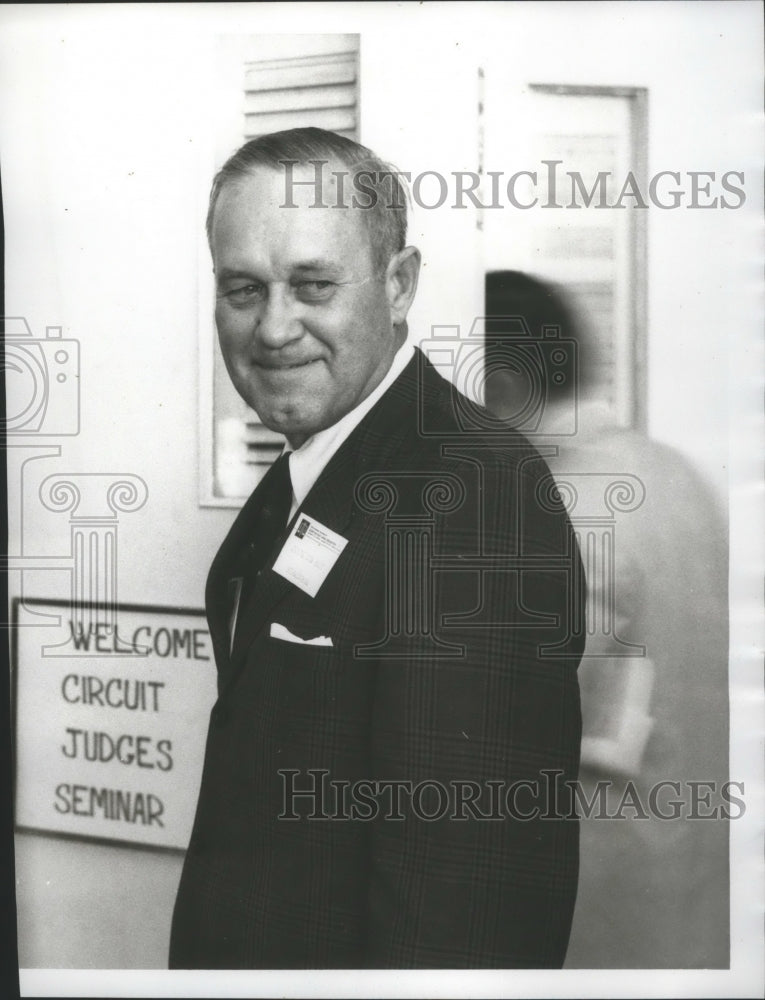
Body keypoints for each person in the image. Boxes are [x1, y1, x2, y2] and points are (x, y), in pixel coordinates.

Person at [169, 130, 585, 970]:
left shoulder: (475, 497)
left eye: (313, 285)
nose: (273, 328)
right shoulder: (319, 462)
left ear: (398, 285)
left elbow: (466, 918)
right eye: (242, 288)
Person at [484, 270, 730, 968]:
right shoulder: (681, 477)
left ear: (503, 389)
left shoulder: (555, 508)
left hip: (603, 905)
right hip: (699, 894)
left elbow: (530, 731)